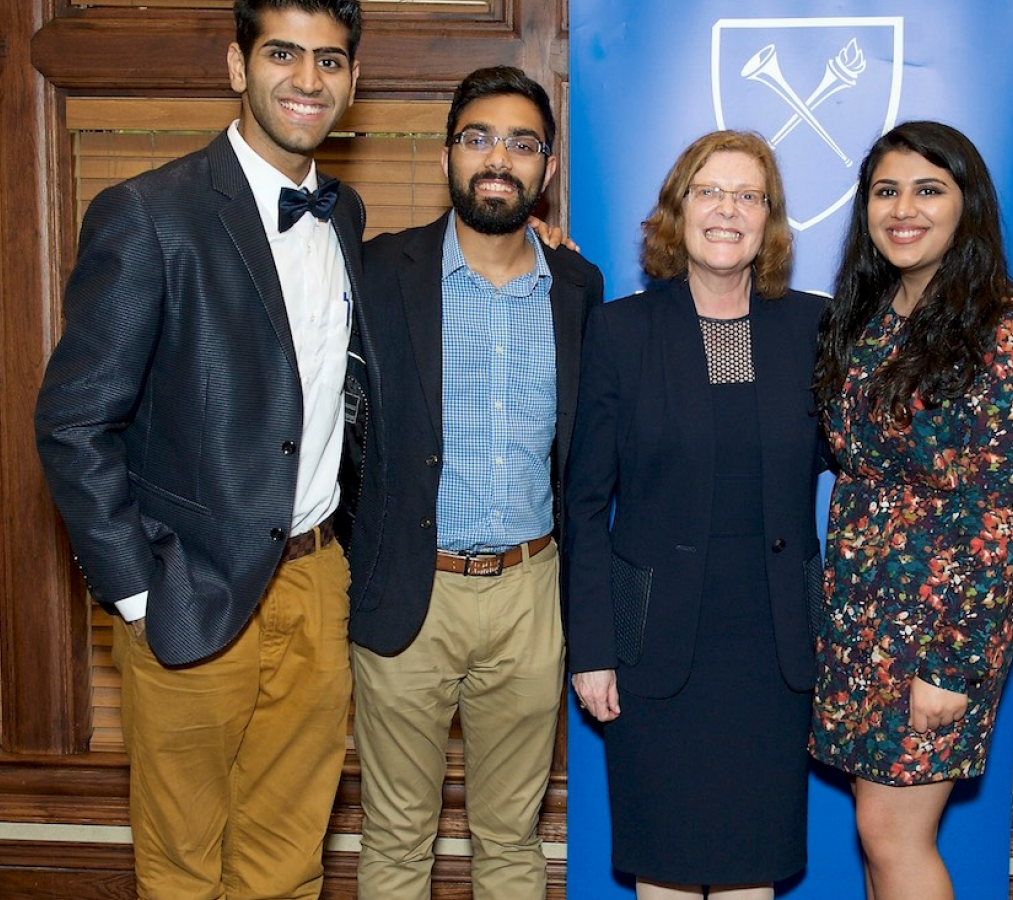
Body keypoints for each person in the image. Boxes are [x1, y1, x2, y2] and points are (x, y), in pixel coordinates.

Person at [33, 1, 363, 897]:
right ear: (236, 65)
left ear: (352, 80)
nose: (307, 79)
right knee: (183, 869)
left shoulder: (346, 217)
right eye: (283, 54)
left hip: (315, 581)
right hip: (192, 586)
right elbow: (73, 421)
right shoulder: (147, 215)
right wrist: (139, 591)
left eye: (330, 61)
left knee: (290, 860)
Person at [341, 65, 604, 900]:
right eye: (479, 138)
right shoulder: (376, 272)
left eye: (522, 144)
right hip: (409, 590)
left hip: (531, 595)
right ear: (448, 154)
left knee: (512, 841)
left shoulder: (578, 286)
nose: (499, 159)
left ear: (547, 170)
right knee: (394, 842)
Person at [566, 130, 828, 900]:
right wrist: (592, 648)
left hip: (772, 649)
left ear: (770, 220)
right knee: (669, 874)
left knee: (752, 874)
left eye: (748, 195)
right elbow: (584, 506)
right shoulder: (621, 332)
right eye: (709, 191)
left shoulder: (814, 330)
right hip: (655, 648)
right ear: (677, 212)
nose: (727, 210)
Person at [809, 120, 1013, 900]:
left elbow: (1000, 514)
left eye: (928, 189)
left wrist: (952, 665)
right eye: (886, 191)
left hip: (938, 623)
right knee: (877, 831)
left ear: (966, 204)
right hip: (861, 616)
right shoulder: (876, 317)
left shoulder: (1006, 331)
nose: (902, 209)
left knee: (893, 834)